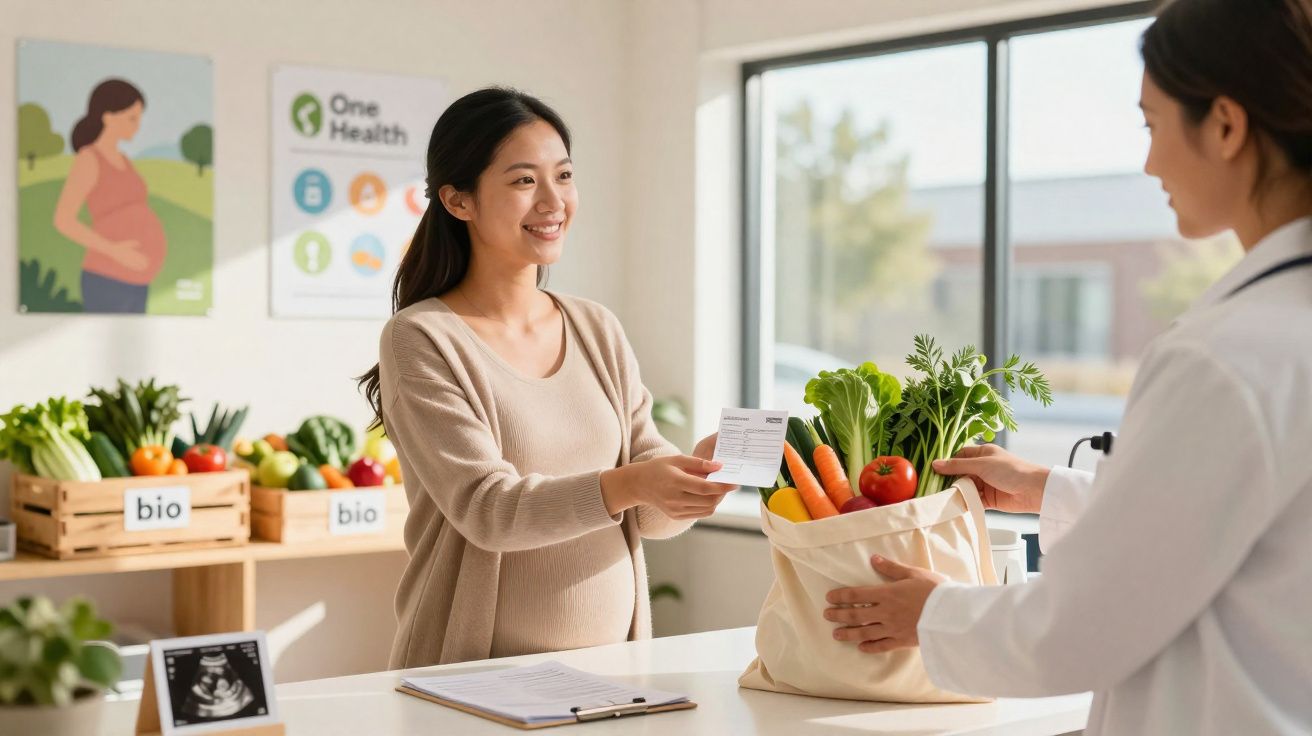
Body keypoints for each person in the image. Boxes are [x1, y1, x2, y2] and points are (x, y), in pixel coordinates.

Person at [824, 1, 1312, 732]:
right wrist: (1049, 489)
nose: (1147, 163)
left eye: (1151, 125)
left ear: (1225, 124)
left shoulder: (1225, 358)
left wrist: (934, 613)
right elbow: (1244, 533)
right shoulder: (1276, 332)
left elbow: (1082, 625)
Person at [357, 87, 735, 667]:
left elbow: (650, 516)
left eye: (563, 175)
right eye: (523, 181)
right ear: (460, 202)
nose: (553, 201)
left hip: (613, 672)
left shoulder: (595, 327)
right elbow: (489, 510)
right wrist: (633, 483)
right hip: (471, 677)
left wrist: (690, 479)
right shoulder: (423, 338)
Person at [54, 78, 167, 314]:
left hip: (137, 279)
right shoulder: (89, 159)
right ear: (108, 117)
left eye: (139, 118)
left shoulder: (124, 160)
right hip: (107, 276)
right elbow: (64, 220)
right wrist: (115, 251)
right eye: (131, 118)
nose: (137, 126)